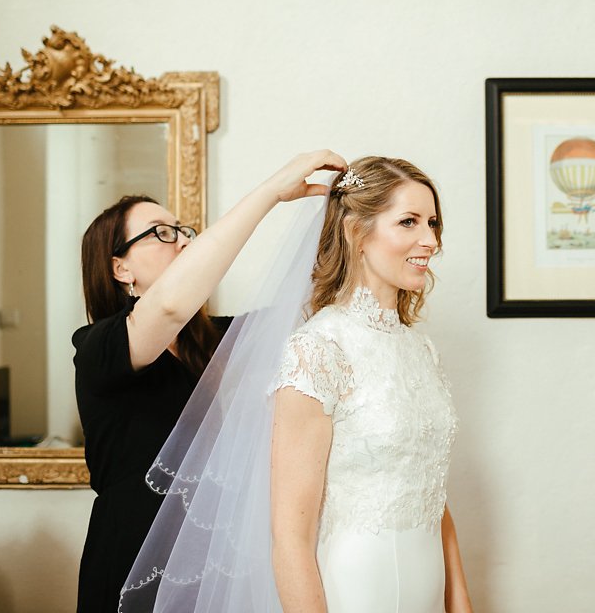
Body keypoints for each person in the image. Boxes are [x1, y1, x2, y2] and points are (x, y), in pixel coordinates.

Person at [119, 157, 472, 613]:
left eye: (433, 222)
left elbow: (431, 492)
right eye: (409, 222)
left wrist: (460, 603)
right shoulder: (317, 350)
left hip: (428, 585)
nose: (431, 240)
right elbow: (290, 538)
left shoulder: (422, 351)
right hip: (356, 588)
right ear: (355, 232)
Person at [73, 149, 346, 613]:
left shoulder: (210, 339)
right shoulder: (97, 347)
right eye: (162, 233)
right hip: (131, 560)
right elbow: (167, 307)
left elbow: (305, 304)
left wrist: (345, 218)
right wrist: (270, 192)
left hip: (203, 562)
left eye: (183, 231)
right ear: (121, 268)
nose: (182, 241)